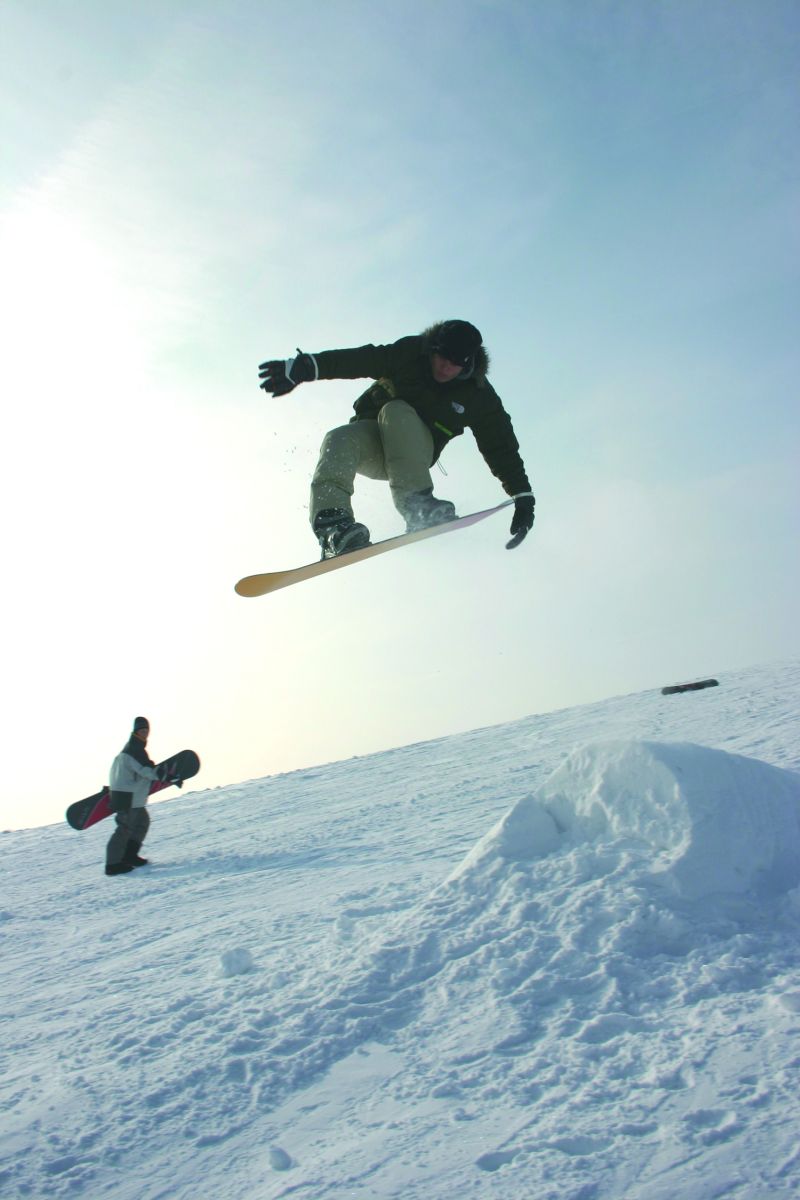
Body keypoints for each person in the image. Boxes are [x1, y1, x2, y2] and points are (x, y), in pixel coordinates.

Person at [258, 319, 535, 559]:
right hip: (378, 445)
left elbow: (500, 446)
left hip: (415, 453)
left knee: (397, 411)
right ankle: (333, 528)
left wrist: (522, 496)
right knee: (338, 438)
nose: (444, 367)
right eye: (441, 357)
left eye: (454, 364)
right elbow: (361, 359)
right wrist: (306, 367)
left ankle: (418, 506)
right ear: (433, 348)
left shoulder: (478, 395)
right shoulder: (409, 354)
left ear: (468, 363)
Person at [105, 717, 177, 877]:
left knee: (142, 822)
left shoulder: (133, 748)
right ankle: (112, 864)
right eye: (141, 730)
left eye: (146, 731)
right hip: (126, 797)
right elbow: (146, 770)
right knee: (124, 829)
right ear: (135, 731)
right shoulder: (134, 749)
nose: (144, 733)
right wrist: (167, 777)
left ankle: (129, 855)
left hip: (130, 795)